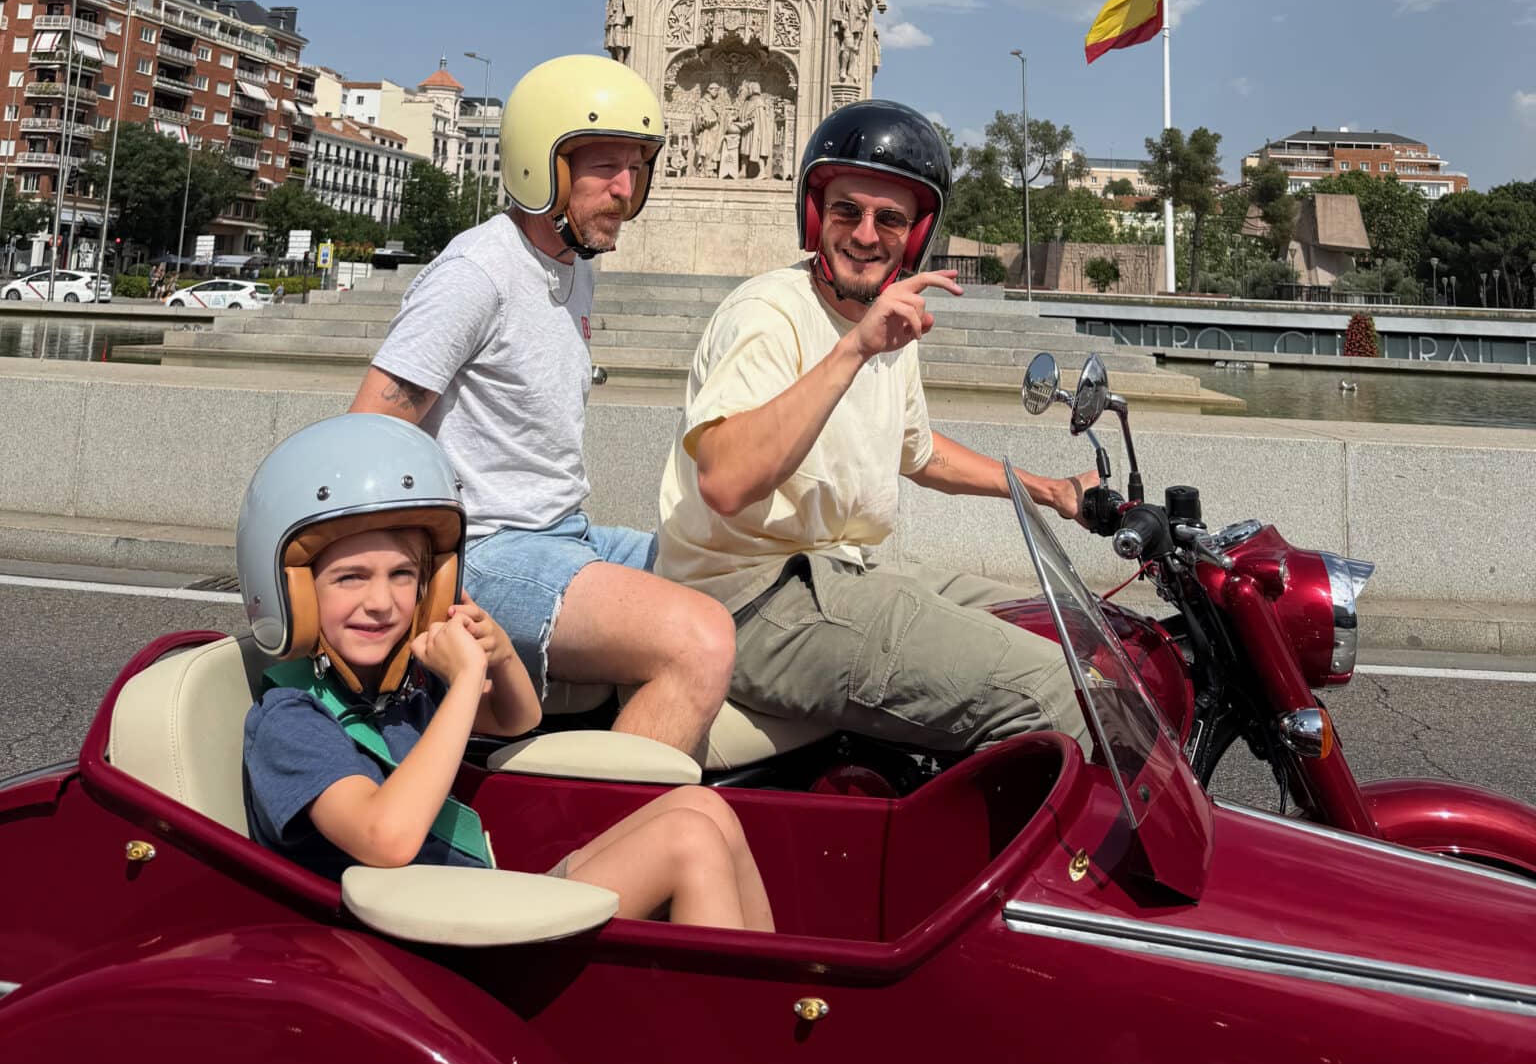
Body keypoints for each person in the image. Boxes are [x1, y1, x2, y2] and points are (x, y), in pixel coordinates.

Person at [656, 100, 1094, 757]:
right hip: (751, 600)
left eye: (889, 219)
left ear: (916, 237)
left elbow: (918, 454)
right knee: (1058, 695)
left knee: (1081, 632)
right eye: (846, 211)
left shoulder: (887, 324)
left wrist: (1051, 491)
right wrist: (854, 348)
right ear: (814, 218)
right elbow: (725, 479)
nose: (865, 234)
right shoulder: (768, 314)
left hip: (847, 571)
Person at [238, 416, 771, 930]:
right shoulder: (293, 719)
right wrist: (466, 682)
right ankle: (731, 1021)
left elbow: (518, 717)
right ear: (294, 592)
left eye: (403, 575)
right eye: (350, 578)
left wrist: (497, 655)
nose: (381, 601)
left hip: (472, 905)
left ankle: (769, 1004)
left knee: (704, 808)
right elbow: (387, 838)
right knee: (687, 840)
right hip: (408, 941)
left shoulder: (400, 682)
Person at [350, 55, 735, 760]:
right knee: (698, 637)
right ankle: (617, 847)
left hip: (564, 533)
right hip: (486, 549)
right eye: (604, 168)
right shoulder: (478, 273)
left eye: (637, 168)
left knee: (736, 571)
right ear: (541, 168)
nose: (625, 190)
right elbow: (370, 430)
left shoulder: (573, 264)